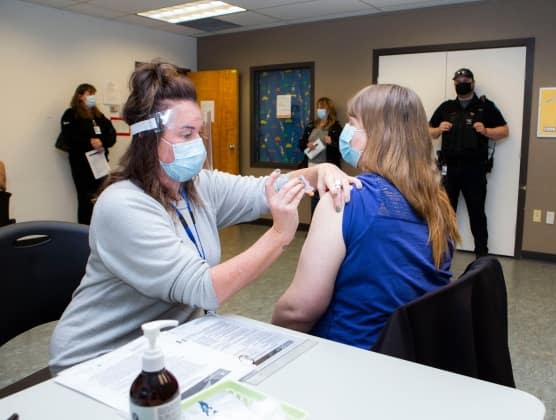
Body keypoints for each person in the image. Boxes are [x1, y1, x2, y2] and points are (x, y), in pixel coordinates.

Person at [49, 62, 359, 373]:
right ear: (148, 139)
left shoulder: (197, 187)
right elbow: (203, 289)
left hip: (165, 347)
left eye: (198, 132)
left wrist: (319, 171)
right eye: (186, 134)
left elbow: (265, 189)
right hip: (99, 359)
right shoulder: (123, 206)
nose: (197, 144)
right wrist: (279, 235)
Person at [272, 84, 460, 350]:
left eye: (352, 123)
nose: (346, 134)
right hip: (413, 357)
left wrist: (268, 338)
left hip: (348, 357)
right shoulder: (438, 204)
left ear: (379, 134)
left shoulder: (344, 200)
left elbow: (297, 311)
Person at [429, 68, 508, 258]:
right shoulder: (446, 107)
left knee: (477, 213)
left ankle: (482, 255)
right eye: (457, 80)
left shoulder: (485, 106)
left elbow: (504, 131)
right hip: (449, 169)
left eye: (465, 79)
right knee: (446, 213)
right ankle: (442, 253)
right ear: (454, 83)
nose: (461, 82)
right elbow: (428, 131)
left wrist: (487, 131)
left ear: (472, 83)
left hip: (475, 170)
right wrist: (438, 129)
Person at [61, 83, 117, 224]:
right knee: (86, 200)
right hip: (81, 165)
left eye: (93, 94)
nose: (92, 97)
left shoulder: (98, 116)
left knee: (102, 197)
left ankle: (101, 229)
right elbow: (69, 137)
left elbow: (112, 135)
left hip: (100, 164)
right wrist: (89, 142)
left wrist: (101, 142)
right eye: (89, 94)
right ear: (80, 96)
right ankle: (83, 232)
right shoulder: (71, 114)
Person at [298, 97, 343, 215]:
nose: (319, 110)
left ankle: (326, 228)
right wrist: (308, 145)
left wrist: (331, 143)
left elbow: (342, 150)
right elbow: (301, 145)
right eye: (318, 108)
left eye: (322, 108)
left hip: (327, 168)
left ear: (329, 110)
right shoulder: (311, 125)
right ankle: (314, 227)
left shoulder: (335, 127)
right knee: (314, 199)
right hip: (311, 166)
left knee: (326, 199)